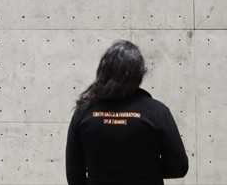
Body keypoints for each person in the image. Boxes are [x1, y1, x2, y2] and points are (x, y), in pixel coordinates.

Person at [65, 40, 188, 185]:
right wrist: (145, 171)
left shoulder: (83, 113)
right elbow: (179, 167)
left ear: (103, 71)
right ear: (139, 73)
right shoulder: (157, 112)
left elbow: (74, 174)